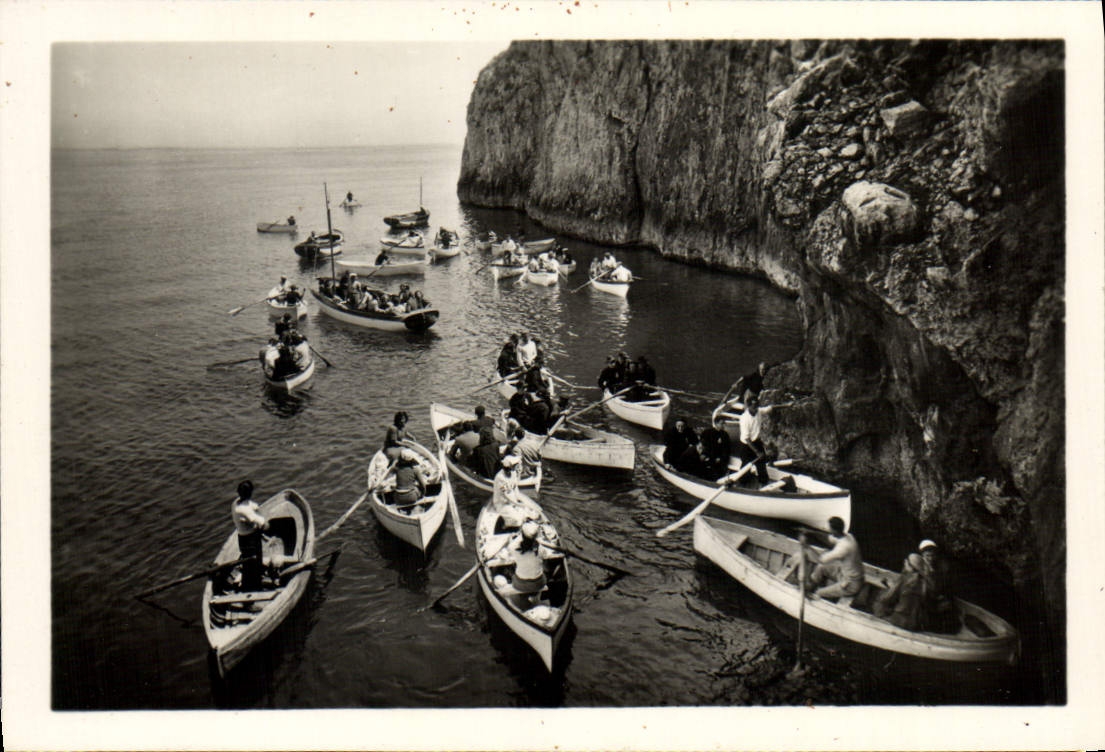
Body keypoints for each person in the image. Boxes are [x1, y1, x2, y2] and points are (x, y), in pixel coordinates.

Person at [804, 516, 864, 600]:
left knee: (819, 592)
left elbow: (820, 560)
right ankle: (810, 586)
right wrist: (811, 532)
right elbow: (828, 539)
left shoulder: (843, 548)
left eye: (829, 529)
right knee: (821, 567)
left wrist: (806, 546)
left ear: (835, 531)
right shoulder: (848, 536)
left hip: (850, 584)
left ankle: (813, 593)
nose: (828, 530)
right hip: (843, 573)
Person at [736, 392, 788, 486]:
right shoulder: (744, 419)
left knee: (761, 463)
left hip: (756, 441)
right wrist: (757, 452)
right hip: (747, 445)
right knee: (746, 466)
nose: (755, 409)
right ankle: (742, 484)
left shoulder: (759, 411)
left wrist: (786, 405)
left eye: (756, 406)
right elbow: (747, 439)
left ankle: (763, 483)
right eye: (753, 407)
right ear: (748, 406)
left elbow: (771, 408)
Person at [873, 553, 929, 631]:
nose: (904, 561)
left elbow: (888, 598)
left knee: (878, 602)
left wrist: (882, 593)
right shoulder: (922, 583)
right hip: (913, 623)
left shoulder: (906, 578)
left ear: (911, 566)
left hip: (899, 620)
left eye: (907, 561)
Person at [230, 480, 269, 591]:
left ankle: (256, 576)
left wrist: (256, 510)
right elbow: (264, 525)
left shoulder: (235, 503)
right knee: (252, 565)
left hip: (242, 538)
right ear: (251, 493)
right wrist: (263, 520)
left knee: (250, 562)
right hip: (250, 539)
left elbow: (252, 505)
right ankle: (253, 588)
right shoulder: (245, 511)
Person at [917, 539, 959, 633]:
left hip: (935, 596)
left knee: (947, 608)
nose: (930, 558)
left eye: (932, 555)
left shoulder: (939, 567)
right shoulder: (919, 566)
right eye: (927, 555)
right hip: (923, 597)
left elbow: (941, 585)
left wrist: (941, 595)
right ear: (922, 556)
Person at [509, 520, 547, 602]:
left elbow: (512, 547)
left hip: (520, 584)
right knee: (543, 566)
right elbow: (544, 555)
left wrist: (519, 535)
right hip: (539, 583)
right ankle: (534, 595)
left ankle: (523, 596)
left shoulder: (513, 547)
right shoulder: (541, 548)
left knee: (511, 568)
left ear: (522, 534)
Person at [491, 454, 527, 526]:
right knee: (518, 521)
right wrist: (518, 504)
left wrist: (518, 499)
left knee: (526, 515)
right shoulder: (500, 478)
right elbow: (506, 495)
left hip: (512, 501)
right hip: (502, 504)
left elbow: (515, 487)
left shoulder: (513, 473)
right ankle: (505, 524)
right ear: (511, 467)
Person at [392, 448, 427, 512]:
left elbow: (392, 468)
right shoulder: (415, 470)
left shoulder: (397, 469)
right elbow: (423, 485)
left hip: (398, 498)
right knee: (416, 488)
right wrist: (423, 495)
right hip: (411, 498)